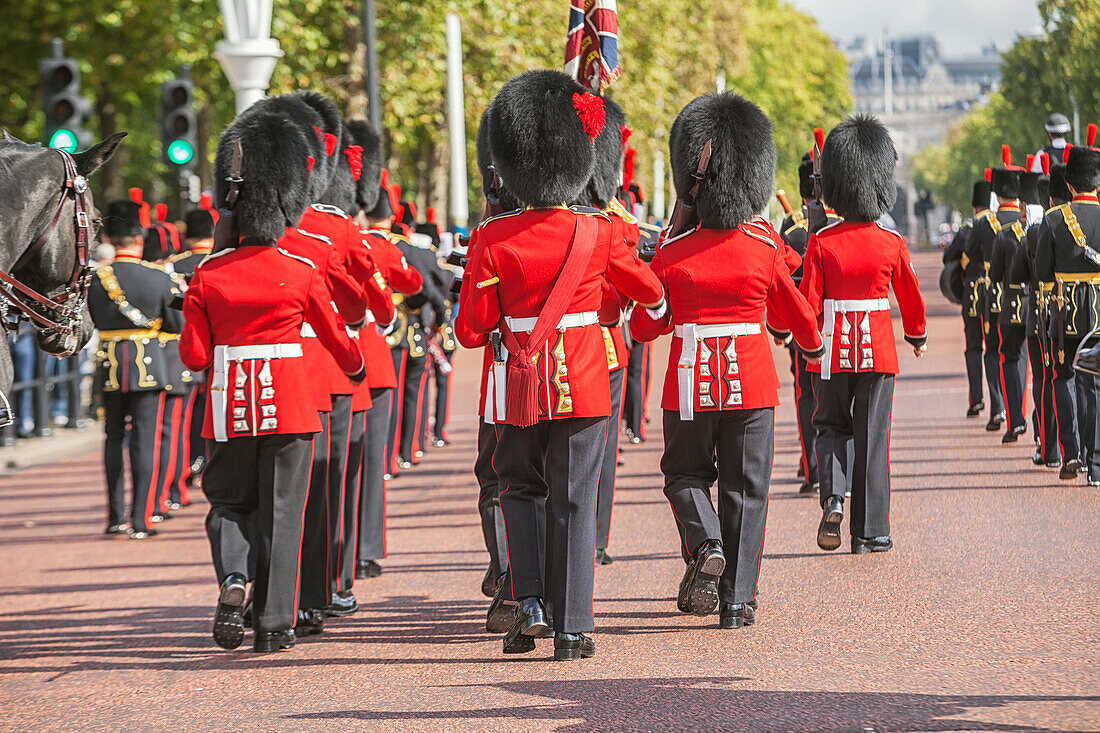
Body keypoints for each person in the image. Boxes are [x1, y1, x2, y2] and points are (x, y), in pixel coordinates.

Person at [459, 70, 664, 661]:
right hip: (581, 377)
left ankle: (529, 604)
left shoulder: (493, 238)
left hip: (515, 385)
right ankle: (573, 627)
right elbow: (650, 294)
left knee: (519, 489)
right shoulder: (600, 232)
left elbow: (471, 331)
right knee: (575, 496)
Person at [631, 93, 824, 629]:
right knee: (747, 487)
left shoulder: (672, 253)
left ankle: (705, 538)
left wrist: (665, 247)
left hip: (689, 381)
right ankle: (738, 601)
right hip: (754, 383)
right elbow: (798, 316)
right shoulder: (762, 249)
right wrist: (812, 347)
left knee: (684, 476)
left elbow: (646, 326)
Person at [187, 105, 366, 653]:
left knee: (228, 502)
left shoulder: (208, 274)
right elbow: (338, 337)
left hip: (229, 403)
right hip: (289, 399)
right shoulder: (300, 269)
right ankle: (274, 624)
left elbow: (196, 357)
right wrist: (355, 365)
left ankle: (234, 577)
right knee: (284, 512)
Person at [800, 114, 927, 555]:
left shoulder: (822, 241)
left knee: (830, 426)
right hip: (877, 349)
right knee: (872, 438)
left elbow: (809, 301)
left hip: (830, 348)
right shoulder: (889, 241)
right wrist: (917, 335)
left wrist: (807, 342)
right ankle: (870, 531)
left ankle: (834, 494)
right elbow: (910, 296)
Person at [88, 199, 183, 538]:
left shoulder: (96, 279)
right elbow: (176, 324)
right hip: (150, 365)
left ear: (110, 240)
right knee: (145, 442)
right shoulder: (157, 278)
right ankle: (141, 519)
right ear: (139, 240)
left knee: (113, 440)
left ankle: (115, 516)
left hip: (109, 364)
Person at [354, 179, 424, 580]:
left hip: (328, 362)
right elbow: (411, 284)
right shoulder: (382, 247)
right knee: (372, 457)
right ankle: (365, 550)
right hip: (374, 354)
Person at [1037, 125, 1100, 485]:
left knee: (1064, 377)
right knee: (1097, 383)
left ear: (1071, 185)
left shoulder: (1054, 219)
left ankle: (1072, 452)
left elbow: (1043, 276)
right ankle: (1097, 465)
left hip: (1066, 313)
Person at [779, 152, 843, 493]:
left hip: (803, 326)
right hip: (841, 324)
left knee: (807, 396)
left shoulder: (791, 229)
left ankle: (813, 469)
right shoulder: (843, 225)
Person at [986, 148, 1028, 442]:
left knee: (1005, 356)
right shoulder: (1033, 224)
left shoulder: (990, 225)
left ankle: (1012, 416)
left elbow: (992, 272)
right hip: (1036, 301)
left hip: (1004, 301)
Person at [943, 178, 992, 417]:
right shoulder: (1000, 228)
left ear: (974, 207)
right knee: (996, 350)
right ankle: (1000, 406)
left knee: (974, 347)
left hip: (973, 294)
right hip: (997, 296)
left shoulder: (968, 231)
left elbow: (947, 258)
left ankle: (977, 399)